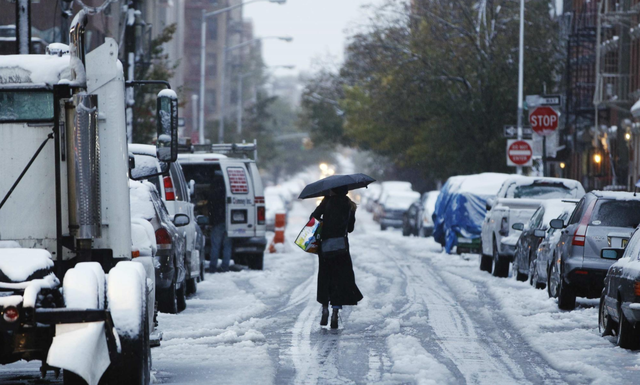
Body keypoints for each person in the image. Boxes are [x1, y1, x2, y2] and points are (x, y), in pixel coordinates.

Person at [310, 186, 363, 329]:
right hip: (342, 248)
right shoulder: (349, 204)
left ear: (332, 190)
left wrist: (324, 221)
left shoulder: (326, 202)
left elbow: (313, 218)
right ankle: (335, 312)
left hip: (325, 248)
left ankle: (325, 308)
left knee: (325, 277)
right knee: (339, 279)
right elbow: (350, 229)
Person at [209, 173, 231, 272]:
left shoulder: (213, 193)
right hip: (229, 222)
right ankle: (225, 266)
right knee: (227, 246)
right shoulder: (227, 191)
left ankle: (213, 267)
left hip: (218, 222)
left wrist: (211, 221)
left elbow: (211, 209)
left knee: (215, 246)